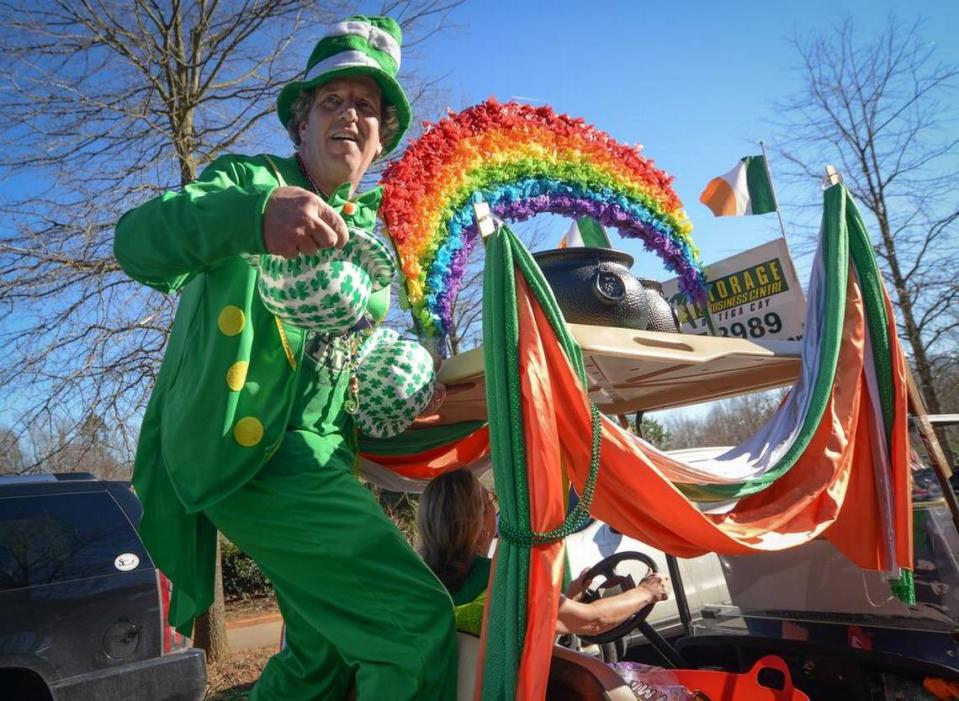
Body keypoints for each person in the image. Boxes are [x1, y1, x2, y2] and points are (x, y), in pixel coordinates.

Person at [114, 16, 456, 701]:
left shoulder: (376, 235)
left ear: (381, 138)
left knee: (318, 658)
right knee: (412, 620)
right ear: (300, 125)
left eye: (366, 106)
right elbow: (136, 242)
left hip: (326, 457)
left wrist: (412, 374)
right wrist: (253, 214)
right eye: (332, 101)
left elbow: (348, 364)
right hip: (253, 457)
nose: (350, 116)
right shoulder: (249, 181)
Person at [417, 469, 670, 637]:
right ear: (480, 521)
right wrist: (645, 592)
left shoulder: (420, 585)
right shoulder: (501, 581)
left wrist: (567, 597)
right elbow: (594, 621)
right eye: (490, 501)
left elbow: (528, 624)